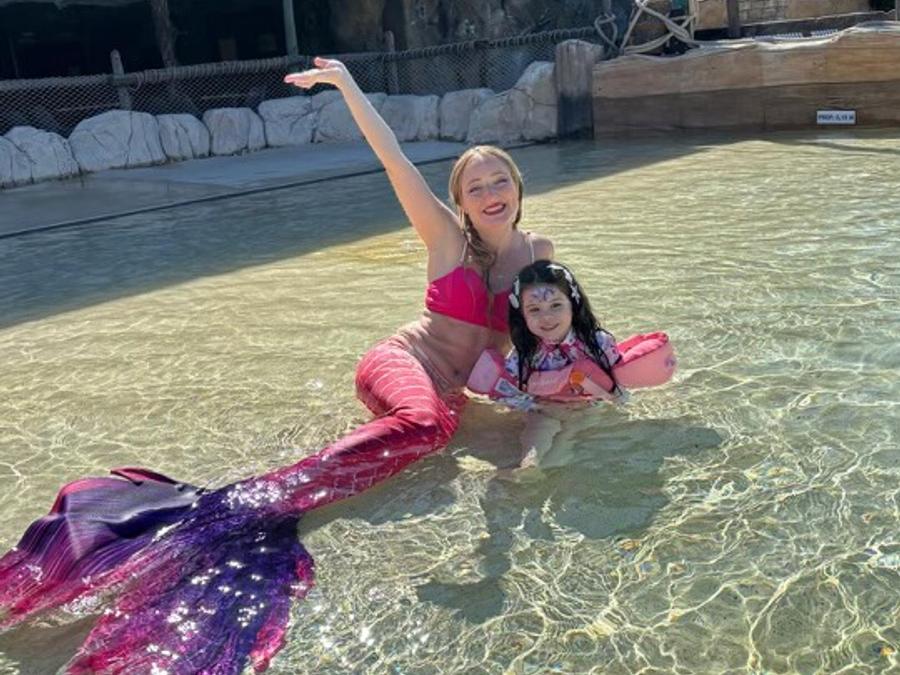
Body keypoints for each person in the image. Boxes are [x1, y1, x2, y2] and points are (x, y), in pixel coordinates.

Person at [0, 57, 552, 674]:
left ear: (518, 187)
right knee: (426, 426)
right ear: (460, 201)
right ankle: (256, 506)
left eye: (499, 181)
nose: (490, 195)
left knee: (440, 432)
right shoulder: (445, 236)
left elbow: (553, 334)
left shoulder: (539, 254)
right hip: (403, 362)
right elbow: (393, 157)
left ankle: (268, 505)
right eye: (475, 187)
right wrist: (345, 84)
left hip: (448, 393)